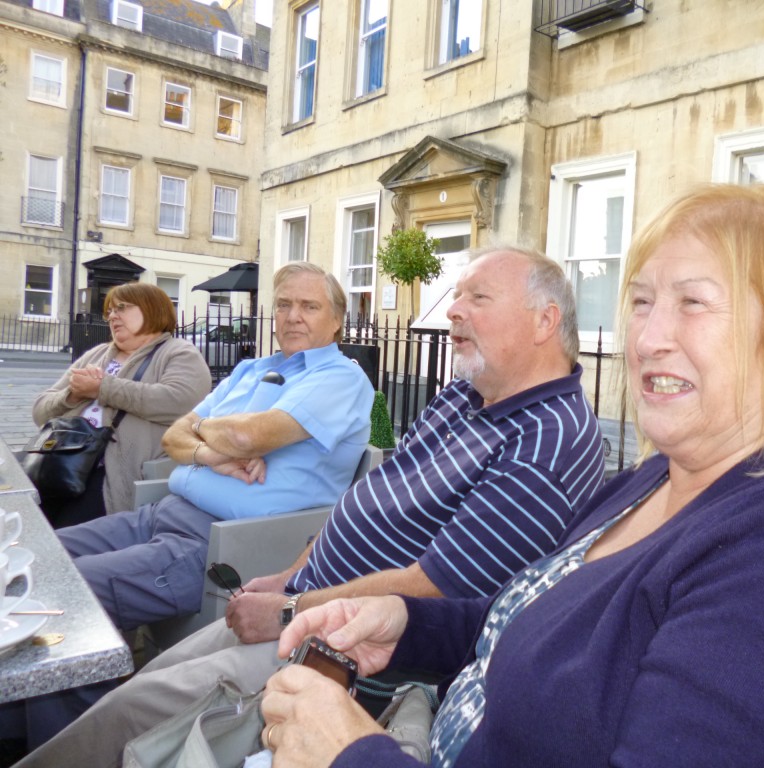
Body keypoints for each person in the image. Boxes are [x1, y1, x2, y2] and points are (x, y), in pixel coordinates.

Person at [261, 185, 764, 768]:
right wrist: (408, 625)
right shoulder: (657, 478)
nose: (648, 338)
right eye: (641, 302)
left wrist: (350, 755)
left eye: (693, 302)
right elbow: (541, 622)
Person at [14, 246, 607, 768]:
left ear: (544, 321)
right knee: (134, 682)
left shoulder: (548, 439)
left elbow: (437, 587)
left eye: (477, 297)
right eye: (456, 295)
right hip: (295, 596)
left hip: (346, 651)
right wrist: (288, 576)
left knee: (125, 715)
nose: (451, 310)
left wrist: (289, 607)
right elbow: (364, 501)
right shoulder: (462, 396)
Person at [1, 261, 374, 755]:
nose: (292, 316)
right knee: (33, 559)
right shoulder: (252, 368)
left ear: (338, 320)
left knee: (65, 596)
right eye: (284, 304)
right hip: (162, 511)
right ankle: (19, 724)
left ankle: (65, 751)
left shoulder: (339, 379)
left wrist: (220, 434)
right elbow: (175, 435)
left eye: (309, 306)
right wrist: (213, 453)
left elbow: (246, 436)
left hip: (217, 541)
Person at [31, 282, 211, 527]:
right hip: (61, 464)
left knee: (65, 537)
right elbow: (40, 411)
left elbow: (179, 400)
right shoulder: (96, 354)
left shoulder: (179, 352)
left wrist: (102, 388)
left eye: (122, 308)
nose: (113, 316)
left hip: (111, 475)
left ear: (152, 309)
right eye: (110, 311)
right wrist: (72, 395)